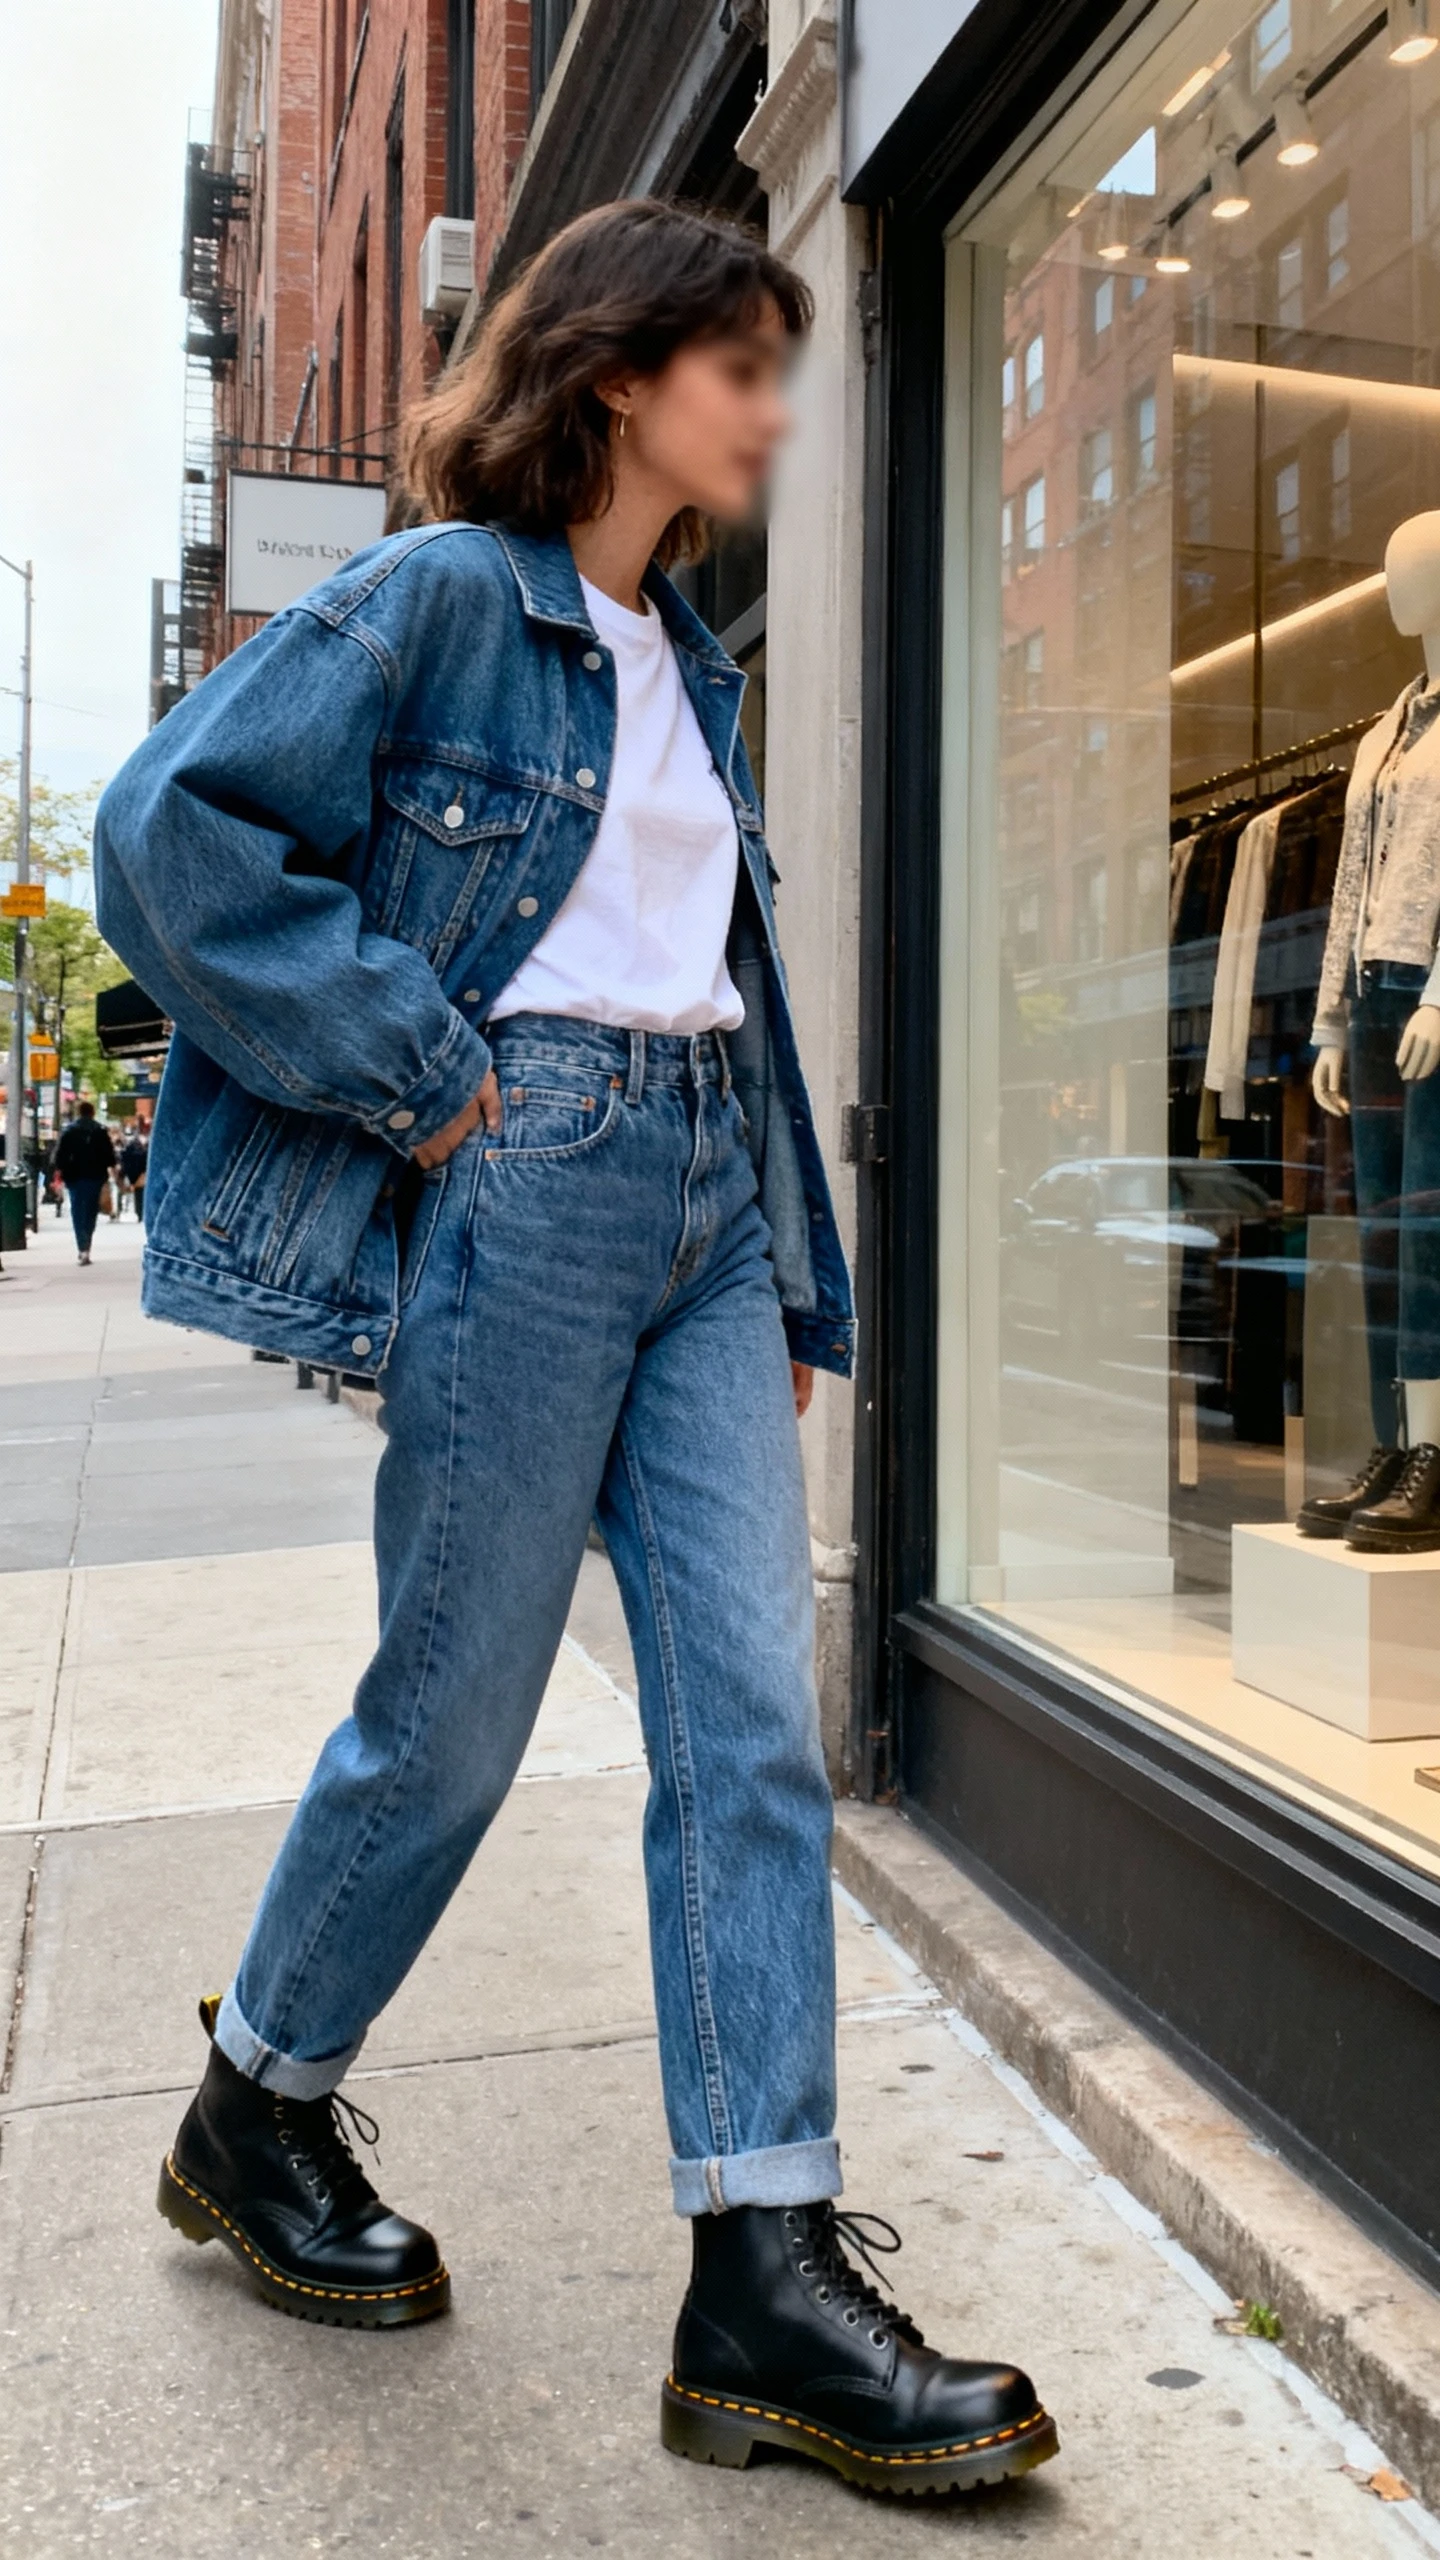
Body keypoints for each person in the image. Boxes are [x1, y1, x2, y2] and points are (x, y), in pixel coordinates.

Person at [93, 199, 1055, 2499]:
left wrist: (792, 1274)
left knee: (746, 1731)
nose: (772, 407)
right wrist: (412, 1065)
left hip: (706, 1198)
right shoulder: (443, 597)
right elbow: (167, 829)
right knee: (450, 1716)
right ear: (616, 374)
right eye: (739, 362)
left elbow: (716, 977)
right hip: (520, 1182)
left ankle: (763, 2270)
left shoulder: (685, 660)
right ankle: (260, 2101)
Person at [53, 1101, 115, 1264]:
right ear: (93, 1112)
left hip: (74, 1177)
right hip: (95, 1176)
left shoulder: (70, 1131)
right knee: (91, 1210)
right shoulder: (100, 1131)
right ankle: (87, 1243)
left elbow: (60, 1156)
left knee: (77, 1210)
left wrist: (61, 1171)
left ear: (79, 1112)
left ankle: (82, 1246)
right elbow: (110, 1157)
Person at [119, 1127, 148, 1222]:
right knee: (140, 1193)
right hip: (140, 1173)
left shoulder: (125, 1150)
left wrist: (122, 1174)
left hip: (131, 1173)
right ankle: (140, 1213)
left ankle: (138, 1212)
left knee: (136, 1194)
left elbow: (124, 1163)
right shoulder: (141, 1149)